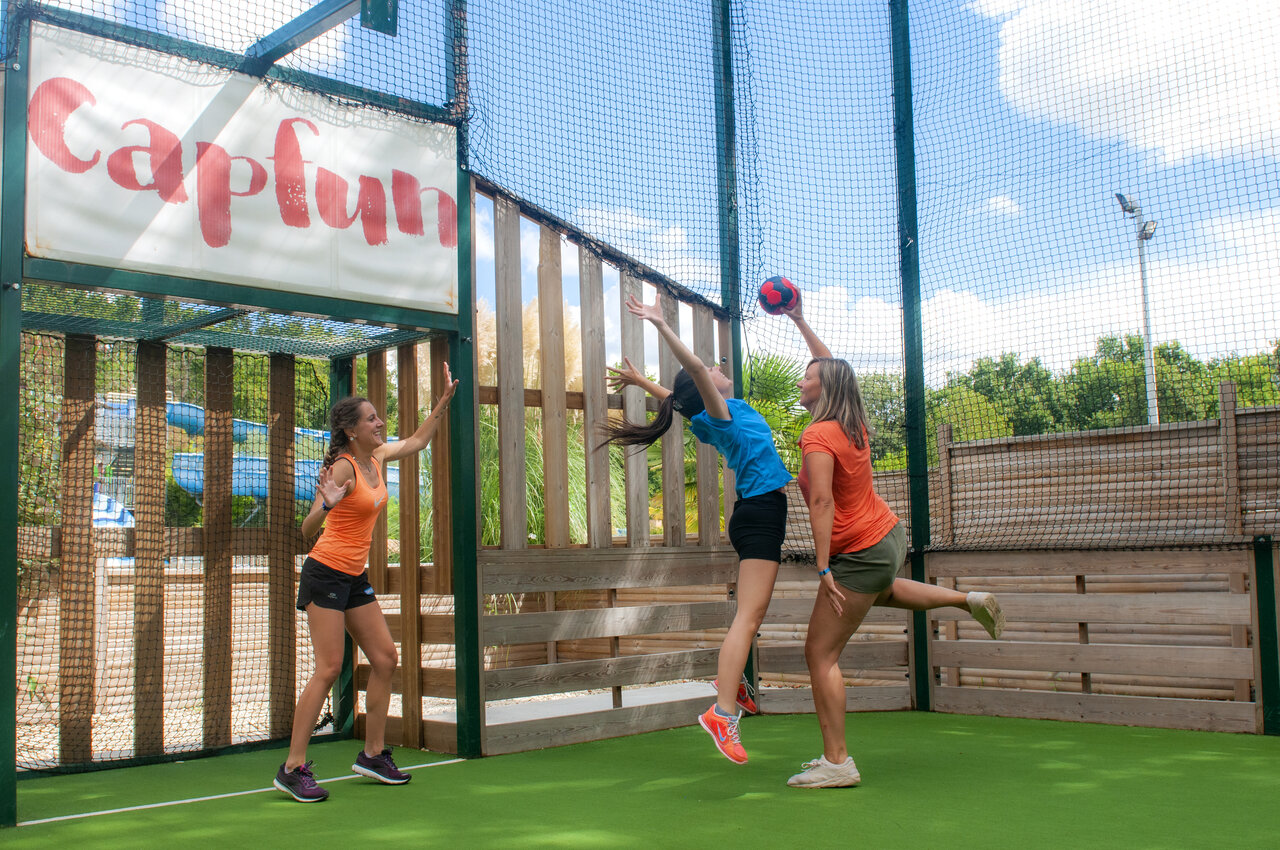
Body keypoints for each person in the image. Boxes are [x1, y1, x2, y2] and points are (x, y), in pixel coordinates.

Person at [778, 294, 1003, 789]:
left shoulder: (818, 436)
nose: (800, 379)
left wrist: (822, 569)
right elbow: (837, 370)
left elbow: (821, 504)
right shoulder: (852, 421)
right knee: (884, 590)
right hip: (887, 537)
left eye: (807, 376)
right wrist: (800, 321)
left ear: (822, 388)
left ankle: (838, 762)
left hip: (857, 549)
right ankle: (969, 599)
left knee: (819, 655)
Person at [602, 291, 792, 765]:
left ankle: (734, 688)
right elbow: (692, 376)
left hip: (759, 514)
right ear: (709, 384)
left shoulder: (710, 415)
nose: (717, 368)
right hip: (761, 514)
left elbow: (676, 397)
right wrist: (661, 325)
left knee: (752, 613)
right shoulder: (720, 416)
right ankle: (722, 713)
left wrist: (639, 380)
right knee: (748, 616)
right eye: (710, 369)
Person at [273, 366, 459, 803]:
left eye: (379, 417)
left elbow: (417, 442)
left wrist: (444, 401)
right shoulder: (341, 469)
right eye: (372, 419)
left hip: (354, 576)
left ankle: (373, 754)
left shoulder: (376, 458)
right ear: (351, 430)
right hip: (325, 573)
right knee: (329, 667)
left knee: (385, 658)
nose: (380, 423)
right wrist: (326, 506)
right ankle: (292, 768)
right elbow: (306, 529)